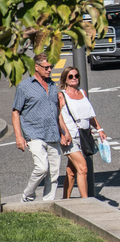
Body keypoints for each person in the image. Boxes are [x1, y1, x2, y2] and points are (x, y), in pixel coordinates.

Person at [12, 53, 71, 202]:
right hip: (34, 133)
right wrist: (19, 137)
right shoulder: (24, 87)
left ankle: (49, 203)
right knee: (42, 168)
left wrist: (63, 132)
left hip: (52, 134)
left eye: (51, 67)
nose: (50, 69)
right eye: (46, 67)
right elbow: (15, 112)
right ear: (36, 67)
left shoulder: (52, 85)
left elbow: (56, 112)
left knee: (54, 173)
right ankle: (28, 196)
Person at [58, 66, 107, 198]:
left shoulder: (82, 93)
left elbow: (89, 115)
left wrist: (100, 129)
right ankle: (86, 202)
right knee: (83, 168)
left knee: (72, 171)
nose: (74, 78)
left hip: (84, 135)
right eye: (70, 76)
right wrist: (62, 134)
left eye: (76, 76)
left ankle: (65, 200)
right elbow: (58, 117)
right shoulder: (61, 96)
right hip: (70, 138)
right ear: (65, 79)